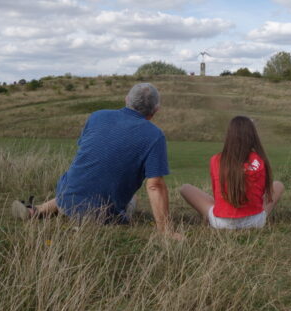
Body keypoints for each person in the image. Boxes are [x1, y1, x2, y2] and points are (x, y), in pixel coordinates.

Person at [11, 82, 182, 239]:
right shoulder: (154, 135)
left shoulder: (97, 116)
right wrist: (166, 230)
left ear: (126, 100)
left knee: (82, 186)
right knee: (132, 200)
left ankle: (37, 211)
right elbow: (154, 185)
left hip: (66, 195)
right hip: (101, 214)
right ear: (155, 110)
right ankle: (88, 222)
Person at [179, 116, 284, 229]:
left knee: (185, 188)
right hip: (255, 221)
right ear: (253, 136)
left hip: (221, 222)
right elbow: (262, 193)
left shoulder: (216, 160)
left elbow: (216, 194)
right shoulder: (260, 159)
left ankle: (225, 211)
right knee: (278, 185)